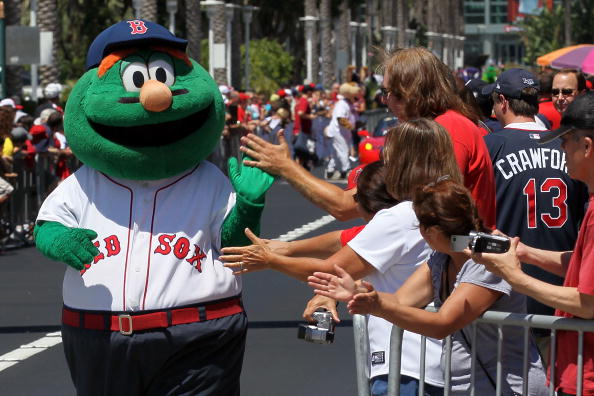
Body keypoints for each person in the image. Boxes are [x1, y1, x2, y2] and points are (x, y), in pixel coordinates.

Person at [222, 119, 470, 395]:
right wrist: (286, 252)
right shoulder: (440, 208)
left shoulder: (402, 215)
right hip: (435, 359)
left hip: (406, 362)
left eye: (390, 153)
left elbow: (332, 269)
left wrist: (271, 259)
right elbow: (350, 242)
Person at [309, 178, 548, 395]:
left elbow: (442, 323)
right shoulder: (441, 258)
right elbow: (400, 301)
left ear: (430, 230)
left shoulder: (487, 262)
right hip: (468, 387)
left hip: (509, 388)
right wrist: (358, 292)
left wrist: (376, 304)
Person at [240, 48, 497, 229]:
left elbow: (345, 206)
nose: (384, 101)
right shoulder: (445, 126)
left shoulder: (447, 130)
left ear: (411, 92)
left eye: (388, 93)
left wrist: (286, 166)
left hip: (462, 270)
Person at [471, 91, 594, 396]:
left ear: (587, 147)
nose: (561, 147)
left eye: (566, 140)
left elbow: (588, 303)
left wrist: (516, 278)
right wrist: (527, 253)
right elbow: (581, 263)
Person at [325, 82, 360, 180]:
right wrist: (350, 126)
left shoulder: (349, 104)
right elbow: (340, 119)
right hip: (338, 131)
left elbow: (354, 117)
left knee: (336, 152)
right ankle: (347, 170)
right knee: (343, 150)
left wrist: (357, 124)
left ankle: (330, 171)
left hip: (344, 132)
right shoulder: (342, 104)